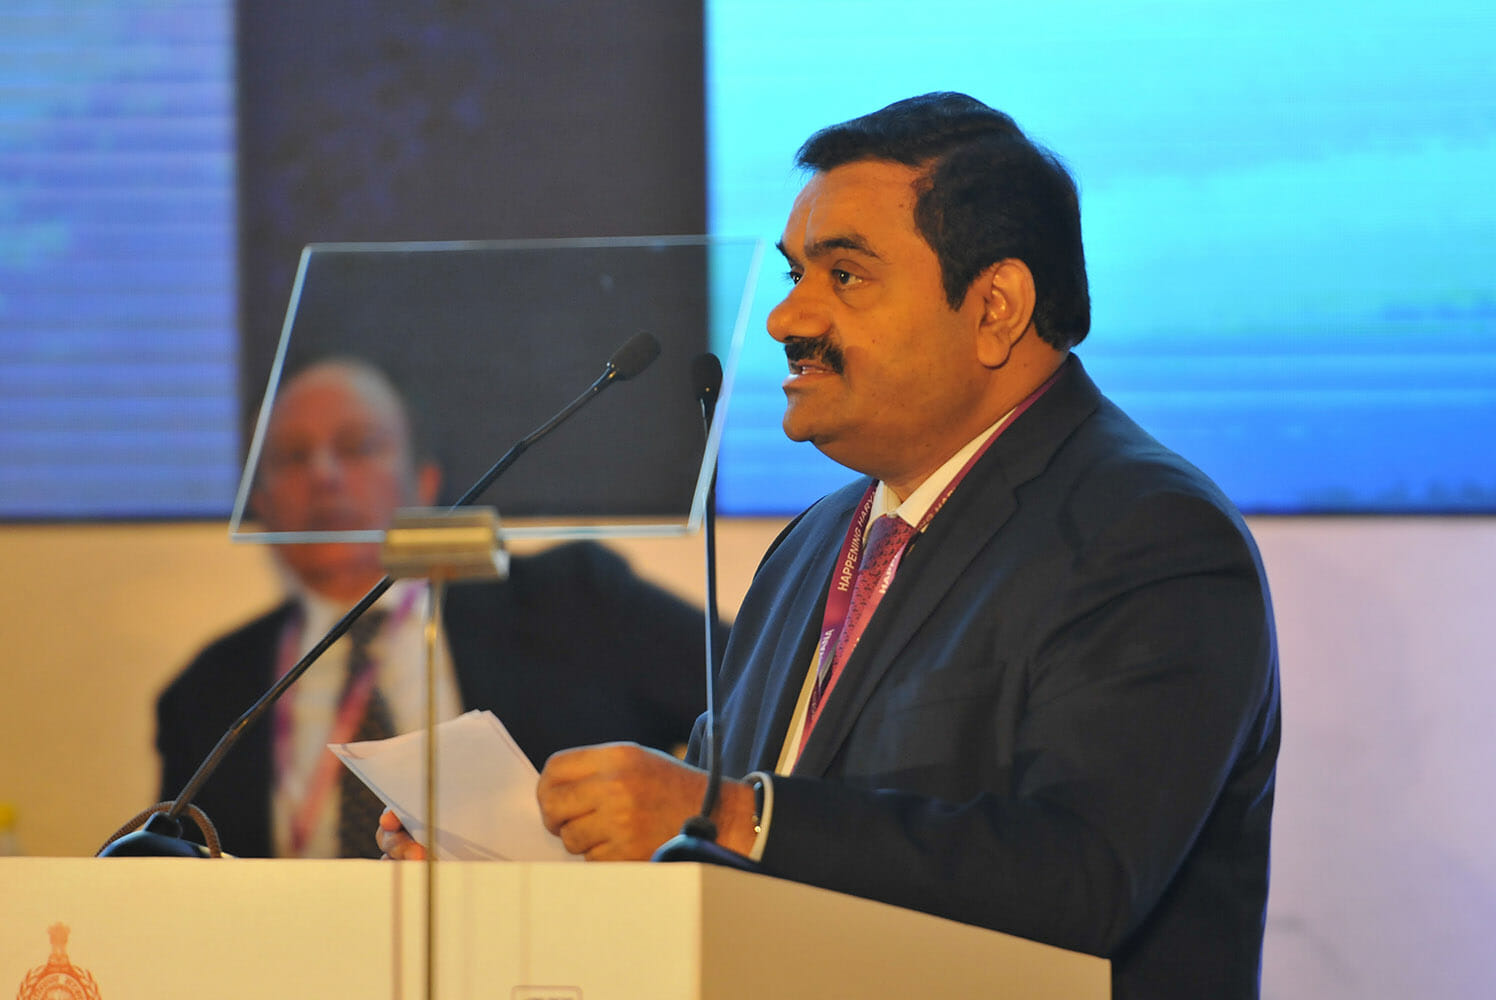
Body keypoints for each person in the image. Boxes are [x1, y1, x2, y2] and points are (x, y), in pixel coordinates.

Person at [382, 93, 1282, 999]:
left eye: (844, 275)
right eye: (793, 274)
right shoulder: (813, 544)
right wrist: (525, 868)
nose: (786, 319)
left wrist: (732, 814)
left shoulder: (1149, 535)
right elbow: (723, 858)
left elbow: (1081, 877)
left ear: (996, 307)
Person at [156, 356, 715, 859]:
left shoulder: (574, 602)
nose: (323, 475)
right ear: (262, 502)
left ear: (424, 482)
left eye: (356, 447)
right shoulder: (210, 692)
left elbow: (752, 708)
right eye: (292, 457)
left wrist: (682, 813)